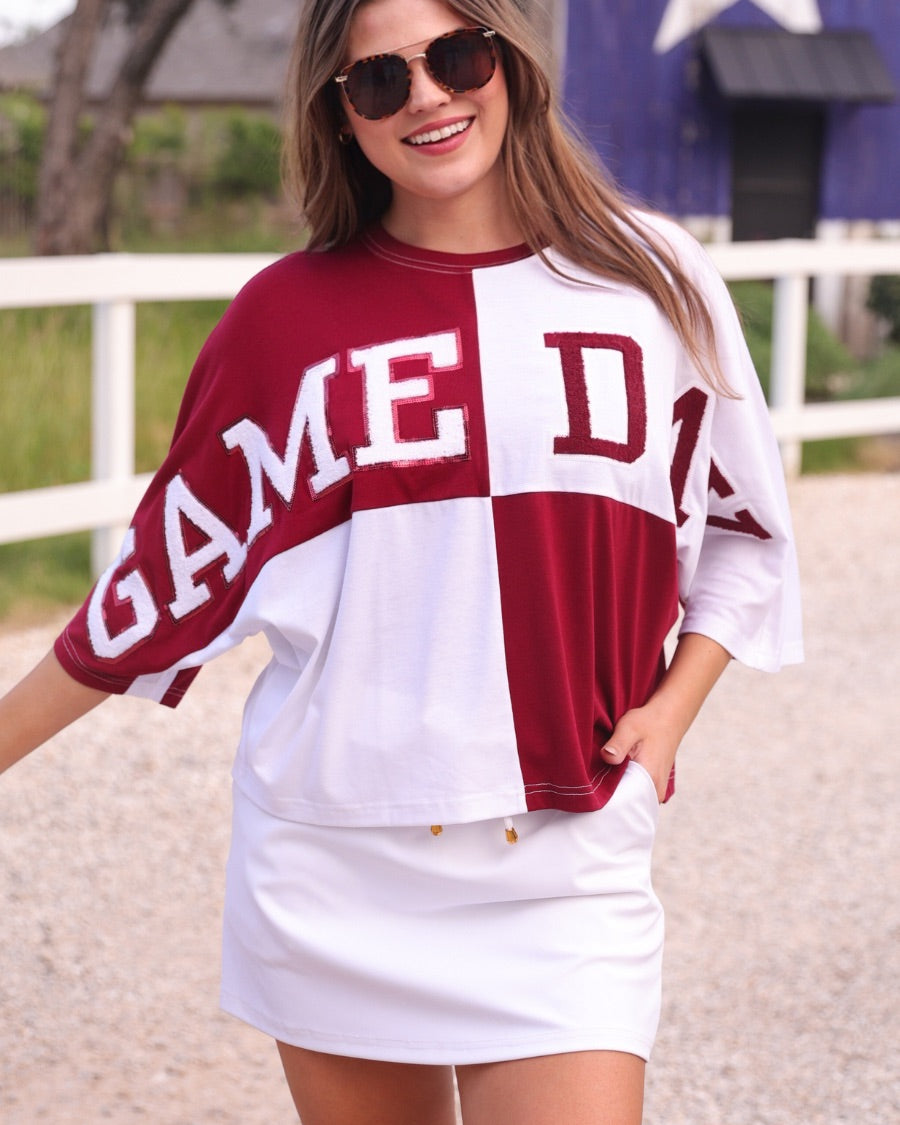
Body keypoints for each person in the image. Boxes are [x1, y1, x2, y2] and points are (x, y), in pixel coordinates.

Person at [0, 0, 803, 1122]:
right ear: (338, 115)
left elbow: (744, 535)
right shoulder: (284, 321)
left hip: (566, 862)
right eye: (377, 81)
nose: (426, 95)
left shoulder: (653, 280)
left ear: (508, 61)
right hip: (336, 864)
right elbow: (154, 598)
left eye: (456, 56)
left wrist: (670, 715)